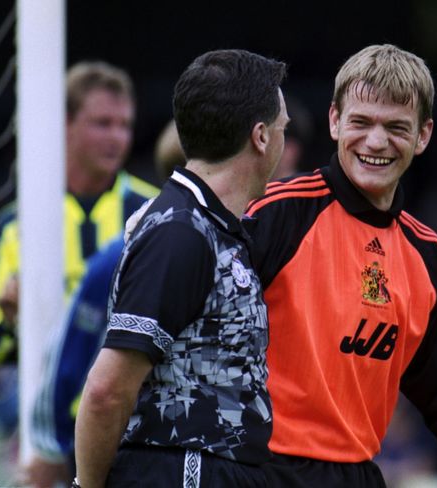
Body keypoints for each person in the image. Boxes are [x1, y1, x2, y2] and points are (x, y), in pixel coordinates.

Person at [245, 44, 437, 487]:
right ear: (335, 121)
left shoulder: (425, 255)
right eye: (361, 122)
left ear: (423, 136)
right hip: (257, 472)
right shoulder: (272, 215)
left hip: (358, 474)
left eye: (397, 127)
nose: (376, 141)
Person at [73, 48, 288, 488]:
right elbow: (106, 391)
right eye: (283, 128)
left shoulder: (211, 223)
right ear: (261, 136)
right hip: (184, 473)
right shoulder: (180, 232)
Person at [0, 61, 158, 431]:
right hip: (43, 421)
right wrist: (11, 320)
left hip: (138, 417)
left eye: (124, 125)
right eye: (102, 123)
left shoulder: (156, 213)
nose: (117, 137)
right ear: (64, 123)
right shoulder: (15, 227)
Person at [23, 119, 185, 488]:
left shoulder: (244, 250)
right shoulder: (120, 256)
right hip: (118, 455)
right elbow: (71, 364)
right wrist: (53, 450)